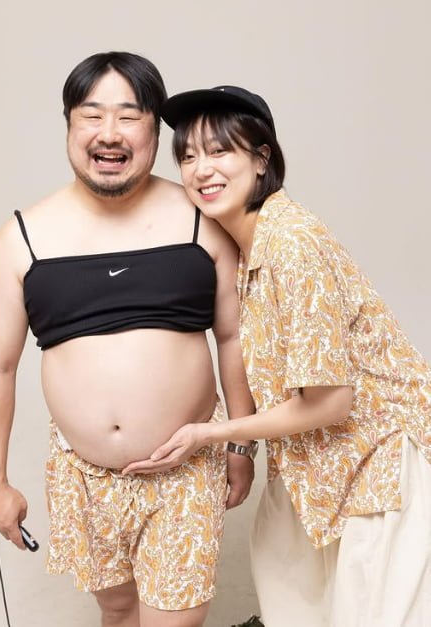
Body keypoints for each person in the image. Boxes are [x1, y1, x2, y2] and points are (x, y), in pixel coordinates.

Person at [124, 85, 431, 626]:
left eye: (220, 150)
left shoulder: (292, 243)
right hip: (321, 472)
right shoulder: (248, 248)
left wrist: (212, 435)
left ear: (261, 157)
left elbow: (331, 401)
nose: (201, 169)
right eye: (188, 156)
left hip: (382, 470)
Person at [0, 55, 256, 627]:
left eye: (129, 117)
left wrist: (240, 443)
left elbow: (233, 336)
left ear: (156, 131)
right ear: (69, 126)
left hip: (185, 469)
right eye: (92, 115)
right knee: (117, 609)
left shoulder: (201, 220)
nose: (109, 133)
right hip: (83, 478)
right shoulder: (20, 238)